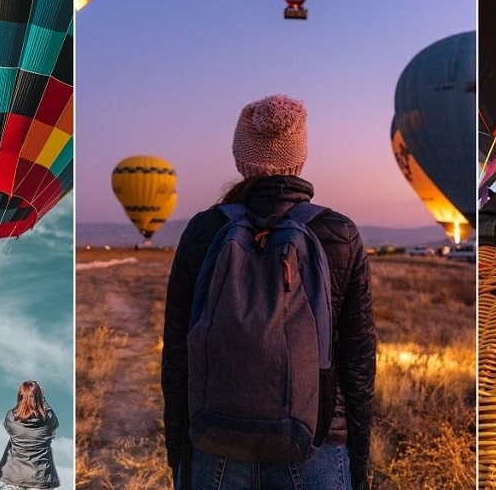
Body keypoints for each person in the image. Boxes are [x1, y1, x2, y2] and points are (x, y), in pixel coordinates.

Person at [161, 94, 377, 489]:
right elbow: (359, 365)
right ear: (301, 158)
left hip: (215, 441)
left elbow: (177, 353)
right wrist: (358, 459)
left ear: (240, 160)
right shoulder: (339, 234)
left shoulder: (203, 231)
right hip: (318, 443)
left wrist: (179, 453)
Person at [0, 381, 60, 489]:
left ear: (20, 397)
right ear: (39, 398)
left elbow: (8, 425)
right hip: (41, 478)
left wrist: (23, 402)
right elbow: (53, 421)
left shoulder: (11, 418)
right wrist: (42, 398)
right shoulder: (48, 419)